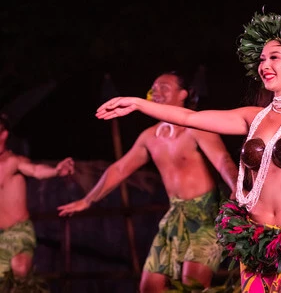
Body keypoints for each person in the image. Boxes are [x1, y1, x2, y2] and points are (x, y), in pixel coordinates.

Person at [93, 12, 281, 292]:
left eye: (274, 57)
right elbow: (190, 118)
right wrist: (139, 104)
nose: (265, 65)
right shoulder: (254, 117)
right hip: (256, 245)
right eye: (262, 59)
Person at [58, 71, 239, 292]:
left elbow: (223, 160)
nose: (156, 91)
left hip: (206, 214)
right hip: (175, 214)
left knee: (194, 285)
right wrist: (88, 200)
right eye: (154, 87)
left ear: (183, 94)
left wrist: (237, 188)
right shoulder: (149, 136)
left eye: (165, 87)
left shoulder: (197, 128)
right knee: (150, 287)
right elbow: (120, 168)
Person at [0, 113, 74, 283]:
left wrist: (55, 171)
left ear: (3, 134)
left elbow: (35, 171)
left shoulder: (14, 161)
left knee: (19, 268)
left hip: (18, 232)